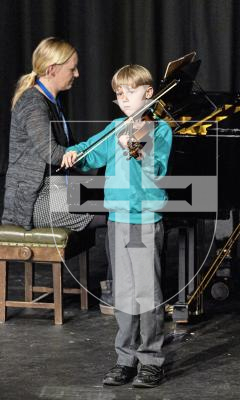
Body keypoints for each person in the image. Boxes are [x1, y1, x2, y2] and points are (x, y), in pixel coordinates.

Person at [61, 64, 173, 388]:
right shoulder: (116, 127)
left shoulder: (159, 130)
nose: (124, 98)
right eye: (119, 93)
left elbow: (159, 167)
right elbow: (90, 153)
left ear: (149, 93)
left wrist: (134, 147)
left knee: (147, 293)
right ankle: (126, 359)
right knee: (123, 294)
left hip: (145, 221)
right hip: (118, 221)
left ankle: (151, 361)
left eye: (131, 91)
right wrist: (74, 153)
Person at [1, 36, 103, 231]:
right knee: (111, 210)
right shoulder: (33, 102)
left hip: (59, 188)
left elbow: (71, 148)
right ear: (51, 70)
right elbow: (53, 153)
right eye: (72, 69)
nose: (77, 74)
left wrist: (105, 151)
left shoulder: (53, 102)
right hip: (37, 201)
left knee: (119, 198)